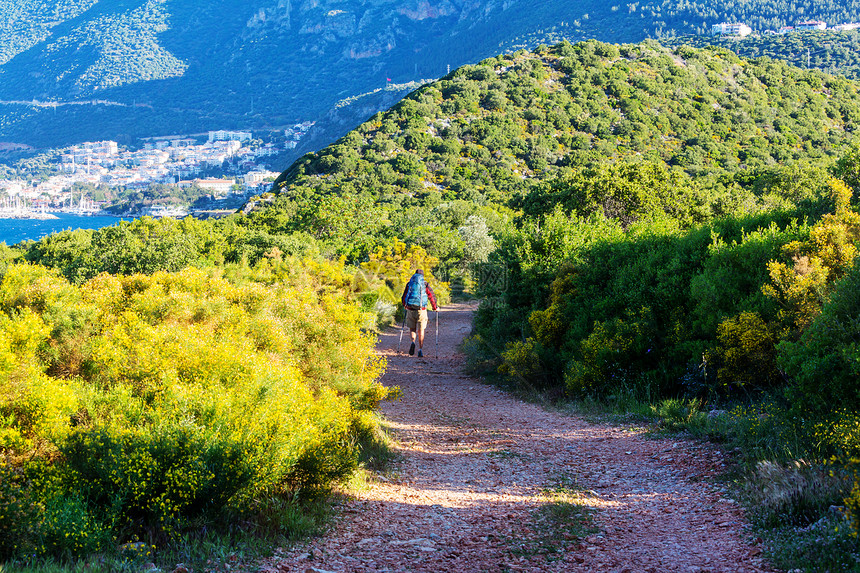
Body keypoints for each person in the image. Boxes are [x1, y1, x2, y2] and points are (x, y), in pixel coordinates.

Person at [401, 269, 438, 358]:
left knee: (412, 329)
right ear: (422, 276)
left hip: (410, 309)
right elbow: (431, 296)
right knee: (421, 330)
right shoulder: (425, 284)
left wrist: (405, 305)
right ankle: (420, 350)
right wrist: (435, 307)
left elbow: (404, 296)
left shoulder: (409, 284)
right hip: (421, 310)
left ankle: (413, 342)